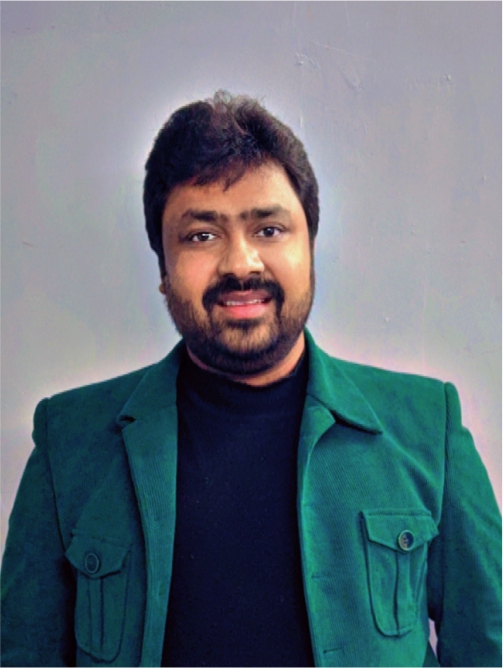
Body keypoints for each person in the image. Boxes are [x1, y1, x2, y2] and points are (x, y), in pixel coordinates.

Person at [1, 91, 501, 668]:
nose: (241, 264)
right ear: (163, 268)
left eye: (269, 229)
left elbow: (488, 647)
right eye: (201, 235)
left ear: (310, 247)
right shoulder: (69, 442)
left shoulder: (427, 428)